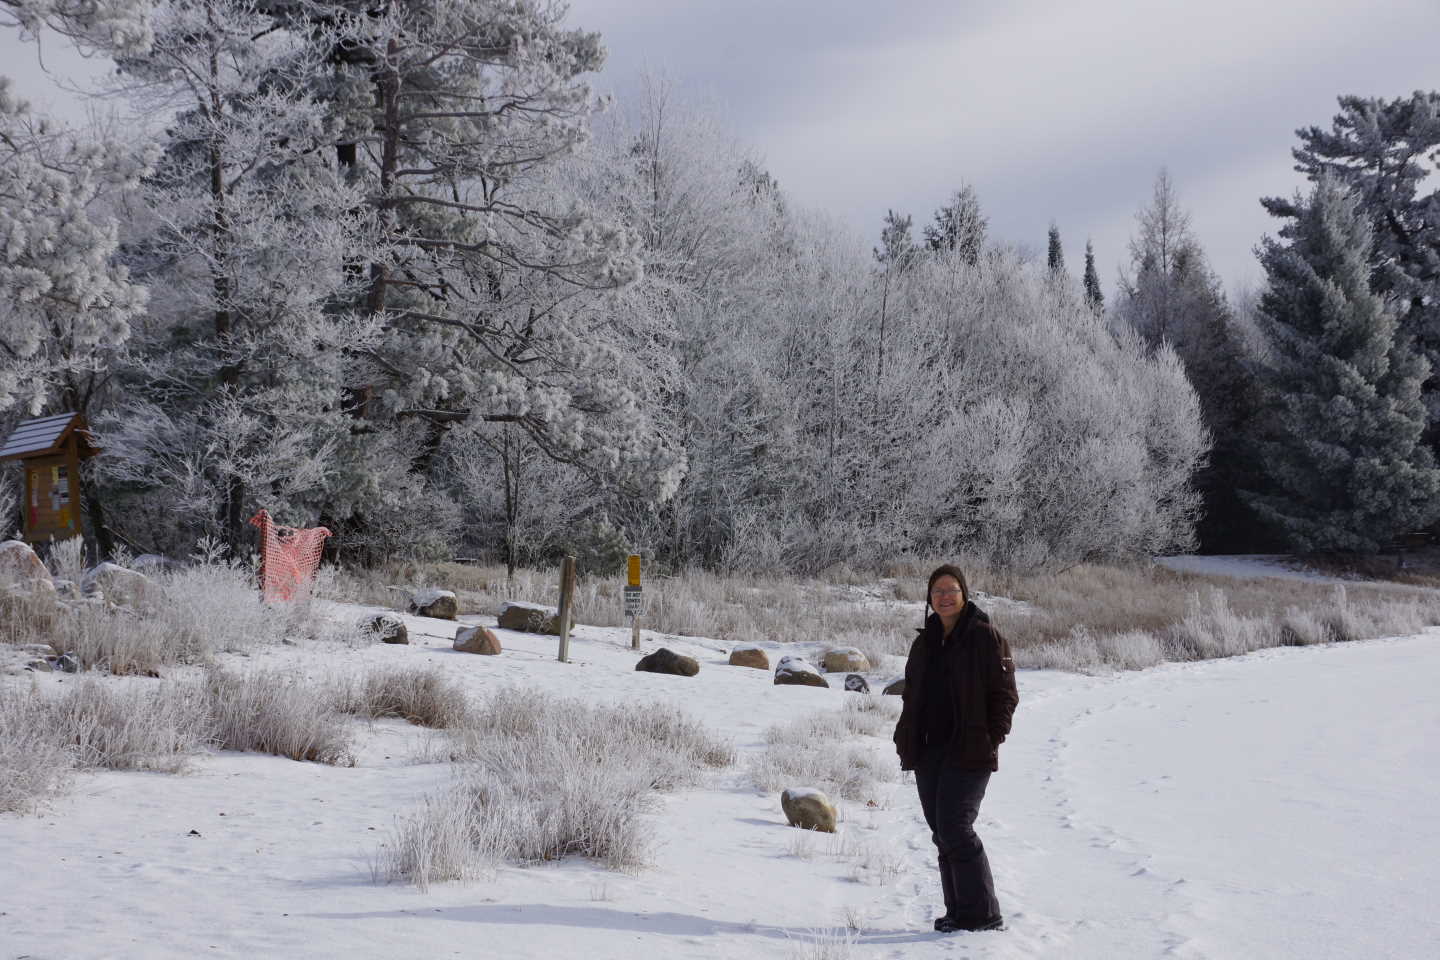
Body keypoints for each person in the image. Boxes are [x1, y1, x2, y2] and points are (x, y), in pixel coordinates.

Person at [892, 564, 1019, 933]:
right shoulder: (925, 642)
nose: (944, 597)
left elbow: (1005, 695)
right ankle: (959, 912)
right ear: (929, 599)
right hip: (929, 750)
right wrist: (905, 735)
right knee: (941, 831)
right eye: (937, 591)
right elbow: (912, 695)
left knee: (956, 827)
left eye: (951, 590)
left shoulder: (984, 637)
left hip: (969, 747)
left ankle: (984, 914)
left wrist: (992, 736)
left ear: (964, 594)